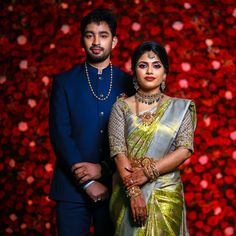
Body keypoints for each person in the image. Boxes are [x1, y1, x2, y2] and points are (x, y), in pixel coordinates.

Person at [49, 8, 134, 236]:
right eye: (89, 35)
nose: (96, 41)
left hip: (116, 186)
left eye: (103, 35)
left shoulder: (129, 83)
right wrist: (87, 182)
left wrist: (103, 169)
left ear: (114, 41)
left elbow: (134, 136)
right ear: (81, 39)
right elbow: (60, 134)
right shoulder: (64, 82)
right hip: (71, 191)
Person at [108, 41, 196, 235]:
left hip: (166, 193)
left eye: (156, 65)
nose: (149, 70)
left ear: (165, 73)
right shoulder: (120, 107)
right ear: (134, 71)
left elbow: (185, 149)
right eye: (142, 65)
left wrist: (148, 173)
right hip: (127, 190)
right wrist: (133, 192)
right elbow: (117, 150)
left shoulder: (180, 109)